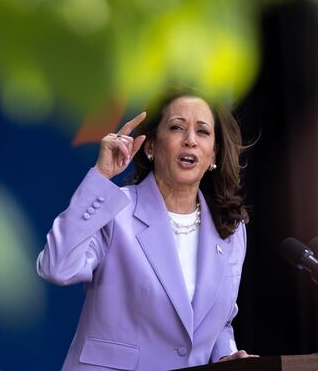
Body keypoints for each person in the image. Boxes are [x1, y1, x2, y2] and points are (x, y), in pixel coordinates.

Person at [37, 92, 257, 370]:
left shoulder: (231, 228)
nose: (190, 139)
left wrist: (227, 356)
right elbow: (57, 267)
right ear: (150, 146)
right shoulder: (115, 210)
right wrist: (100, 177)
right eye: (177, 127)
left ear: (213, 153)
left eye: (202, 131)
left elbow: (218, 320)